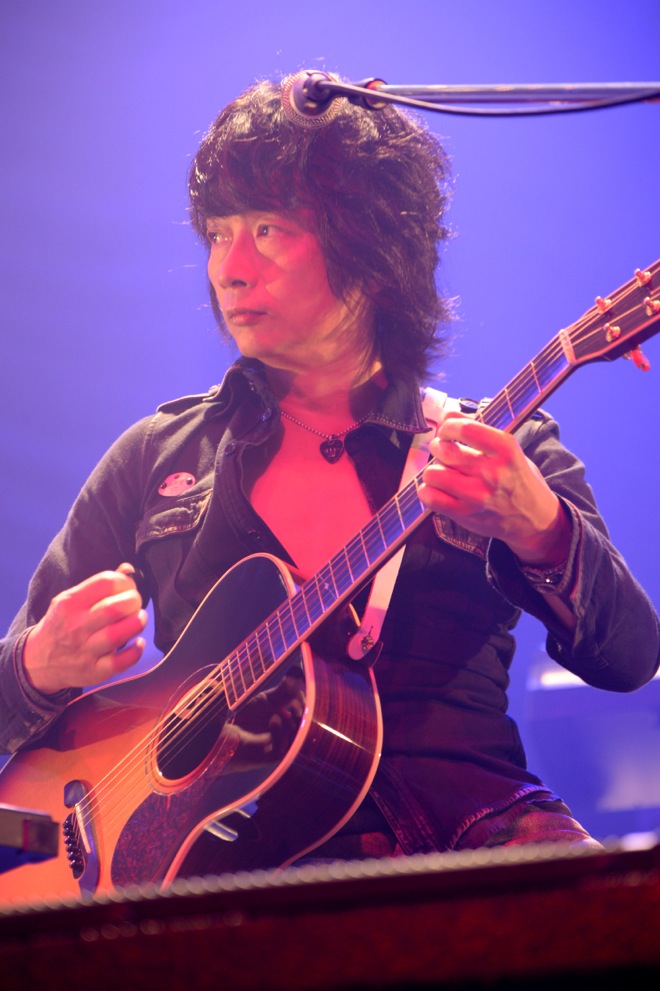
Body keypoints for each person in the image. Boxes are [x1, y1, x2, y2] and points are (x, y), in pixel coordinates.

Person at [1, 74, 658, 875]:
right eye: (217, 233)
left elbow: (631, 658)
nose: (229, 267)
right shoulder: (157, 457)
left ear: (371, 250)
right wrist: (37, 663)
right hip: (220, 883)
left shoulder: (501, 444)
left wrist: (540, 527)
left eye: (267, 229)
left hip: (467, 852)